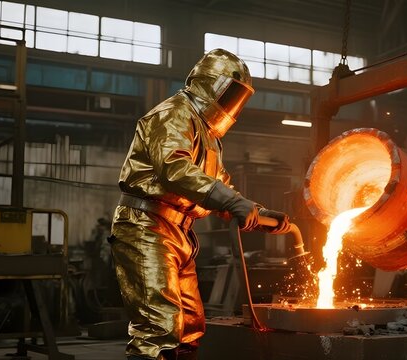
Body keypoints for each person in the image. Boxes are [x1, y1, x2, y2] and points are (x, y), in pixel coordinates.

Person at [108, 48, 291, 360]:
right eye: (228, 92)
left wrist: (257, 212)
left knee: (190, 325)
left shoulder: (208, 136)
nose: (231, 103)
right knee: (160, 327)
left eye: (238, 96)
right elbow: (175, 169)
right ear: (206, 83)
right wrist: (233, 201)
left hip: (178, 232)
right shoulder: (173, 114)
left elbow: (219, 187)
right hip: (146, 227)